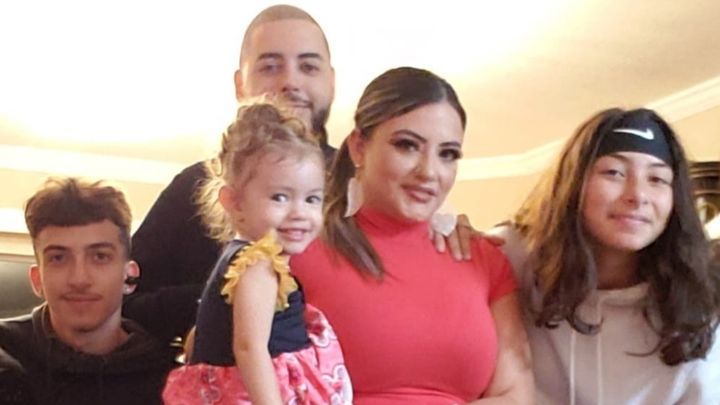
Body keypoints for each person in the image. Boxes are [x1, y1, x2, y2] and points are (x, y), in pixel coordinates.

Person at [291, 66, 533, 404]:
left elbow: (515, 394)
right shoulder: (298, 249)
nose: (429, 171)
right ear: (359, 147)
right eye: (407, 146)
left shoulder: (485, 259)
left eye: (448, 154)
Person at [124, 4, 336, 344]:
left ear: (332, 81)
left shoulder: (365, 184)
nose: (291, 81)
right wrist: (224, 298)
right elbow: (125, 301)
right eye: (270, 66)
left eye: (308, 67)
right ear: (240, 84)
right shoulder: (194, 187)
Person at [492, 108, 720, 404]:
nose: (637, 195)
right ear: (574, 184)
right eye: (614, 173)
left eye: (657, 179)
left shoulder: (702, 301)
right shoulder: (507, 256)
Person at [162, 102, 352, 404]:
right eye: (280, 197)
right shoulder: (257, 265)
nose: (300, 213)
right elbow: (250, 348)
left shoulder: (236, 259)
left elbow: (198, 337)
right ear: (234, 202)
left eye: (312, 199)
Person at [0, 178, 174, 405]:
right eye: (58, 258)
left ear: (129, 277)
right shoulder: (6, 355)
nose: (79, 279)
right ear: (37, 279)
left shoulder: (169, 381)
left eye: (100, 257)